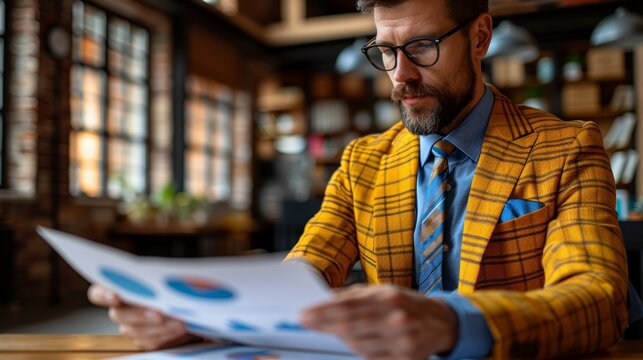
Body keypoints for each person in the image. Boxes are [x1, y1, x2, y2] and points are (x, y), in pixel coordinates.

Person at [89, 0, 629, 358]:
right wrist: (199, 318)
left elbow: (599, 299)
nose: (401, 75)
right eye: (386, 51)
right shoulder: (362, 162)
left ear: (481, 37)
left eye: (421, 47)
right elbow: (305, 272)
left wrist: (450, 324)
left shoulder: (567, 147)